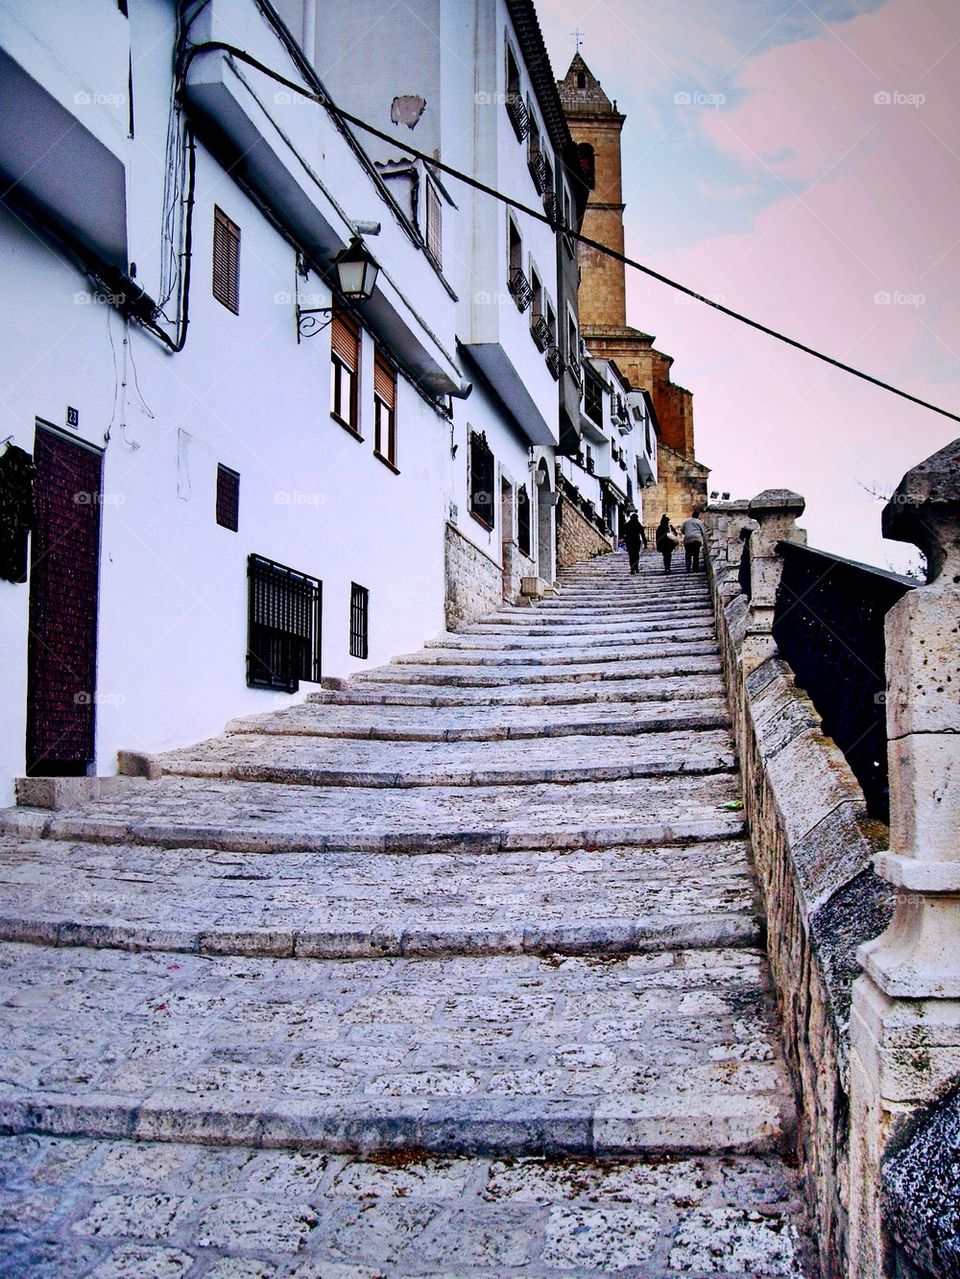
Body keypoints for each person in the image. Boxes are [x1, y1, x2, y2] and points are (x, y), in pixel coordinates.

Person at [681, 508, 708, 573]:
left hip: (688, 539)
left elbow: (682, 530)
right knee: (696, 554)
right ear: (698, 516)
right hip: (697, 539)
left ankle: (688, 567)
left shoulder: (686, 521)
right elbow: (703, 531)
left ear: (692, 515)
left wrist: (687, 533)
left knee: (688, 554)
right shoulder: (699, 522)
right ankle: (695, 568)